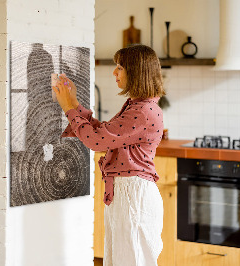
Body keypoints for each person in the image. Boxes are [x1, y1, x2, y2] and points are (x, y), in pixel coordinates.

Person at [52, 44, 165, 266]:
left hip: (133, 195)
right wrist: (74, 103)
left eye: (120, 67)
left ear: (136, 71)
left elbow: (96, 140)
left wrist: (68, 108)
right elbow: (104, 133)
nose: (114, 72)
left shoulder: (142, 111)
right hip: (127, 194)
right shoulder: (138, 106)